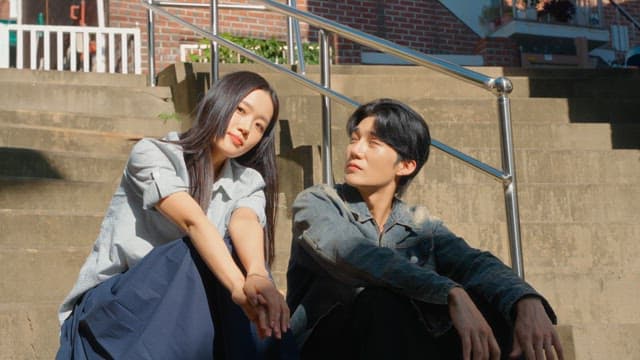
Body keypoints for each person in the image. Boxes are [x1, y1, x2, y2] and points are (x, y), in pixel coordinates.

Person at [286, 98, 564, 360]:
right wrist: (450, 293)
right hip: (325, 345)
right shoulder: (318, 202)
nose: (355, 150)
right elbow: (355, 254)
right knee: (379, 302)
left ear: (406, 165)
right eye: (355, 138)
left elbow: (475, 262)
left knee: (497, 311)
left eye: (373, 143)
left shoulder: (419, 223)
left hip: (398, 344)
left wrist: (524, 300)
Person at [56, 71, 298, 359]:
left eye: (259, 126)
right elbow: (192, 221)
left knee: (242, 266)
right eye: (240, 110)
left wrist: (257, 275)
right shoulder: (153, 153)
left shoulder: (248, 182)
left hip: (182, 320)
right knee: (196, 251)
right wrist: (236, 286)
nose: (246, 128)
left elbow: (245, 220)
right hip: (113, 315)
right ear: (218, 102)